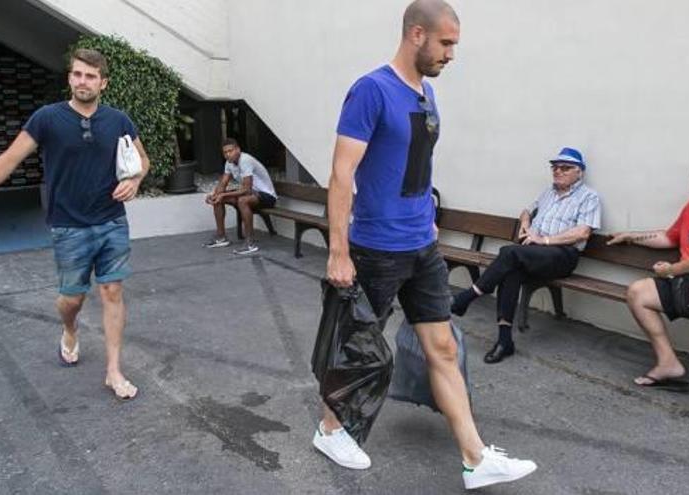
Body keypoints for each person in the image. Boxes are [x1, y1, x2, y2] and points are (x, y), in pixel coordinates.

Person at [315, 0, 536, 489]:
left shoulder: (426, 94)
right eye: (446, 43)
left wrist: (428, 218)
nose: (451, 54)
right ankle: (330, 429)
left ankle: (475, 459)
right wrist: (338, 249)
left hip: (421, 246)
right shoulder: (370, 90)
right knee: (358, 345)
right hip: (375, 247)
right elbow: (340, 174)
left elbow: (418, 165)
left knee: (441, 345)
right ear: (417, 34)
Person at [0, 48, 149, 401]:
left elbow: (142, 159)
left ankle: (113, 370)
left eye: (90, 76)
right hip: (68, 226)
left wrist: (136, 180)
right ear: (70, 77)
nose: (83, 81)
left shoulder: (119, 120)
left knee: (112, 291)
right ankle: (69, 329)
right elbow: (9, 159)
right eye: (78, 74)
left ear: (103, 82)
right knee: (72, 299)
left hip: (111, 219)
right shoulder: (47, 118)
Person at [450, 147, 601, 364]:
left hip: (562, 255)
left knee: (509, 252)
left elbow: (583, 232)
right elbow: (527, 210)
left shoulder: (589, 197)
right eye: (555, 167)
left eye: (565, 168)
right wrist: (526, 222)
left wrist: (544, 240)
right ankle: (504, 341)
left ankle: (470, 295)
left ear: (579, 172)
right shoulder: (548, 193)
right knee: (511, 271)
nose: (558, 171)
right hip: (535, 253)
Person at [607, 157, 689, 429]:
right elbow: (669, 237)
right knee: (638, 292)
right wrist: (632, 236)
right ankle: (668, 363)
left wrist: (671, 269)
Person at [203, 138, 277, 254]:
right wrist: (214, 194)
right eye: (225, 152)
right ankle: (221, 237)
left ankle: (250, 243)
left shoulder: (245, 160)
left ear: (238, 149)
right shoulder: (229, 163)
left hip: (267, 197)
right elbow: (223, 183)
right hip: (251, 194)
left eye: (230, 151)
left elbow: (246, 189)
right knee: (218, 199)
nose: (228, 154)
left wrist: (223, 194)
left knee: (242, 200)